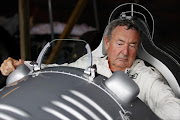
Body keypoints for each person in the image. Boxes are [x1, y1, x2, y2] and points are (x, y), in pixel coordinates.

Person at [0, 19, 180, 120]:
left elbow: (174, 108)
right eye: (119, 43)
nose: (125, 52)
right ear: (107, 43)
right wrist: (23, 65)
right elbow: (61, 70)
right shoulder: (92, 62)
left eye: (132, 45)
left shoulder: (147, 76)